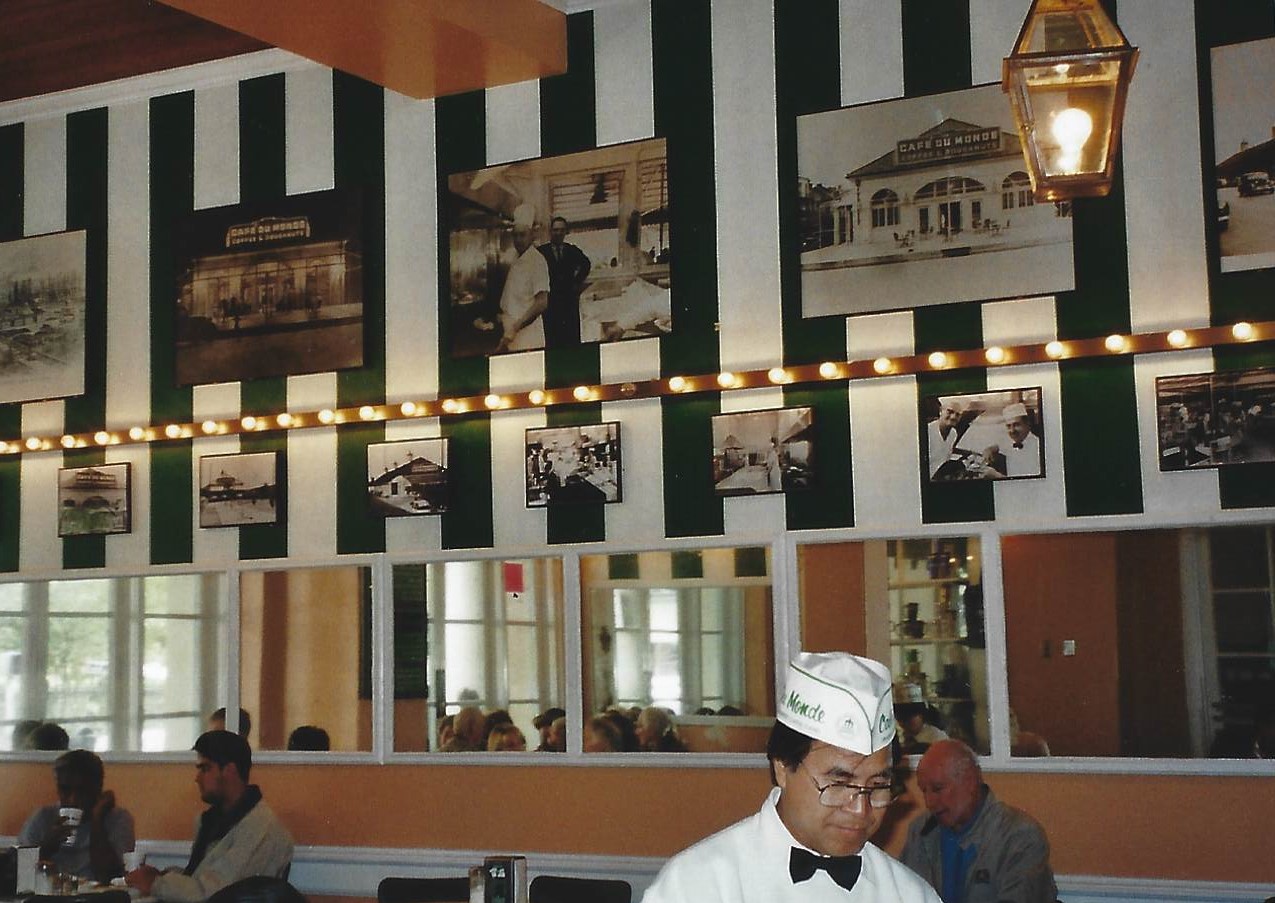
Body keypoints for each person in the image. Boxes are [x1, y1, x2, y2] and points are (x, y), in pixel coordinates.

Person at [642, 651, 942, 902]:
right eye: (838, 783)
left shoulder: (910, 895)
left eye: (878, 786)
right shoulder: (695, 887)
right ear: (782, 768)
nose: (859, 810)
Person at [126, 731, 293, 903]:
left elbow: (214, 894)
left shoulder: (261, 829)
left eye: (205, 768)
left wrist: (156, 884)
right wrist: (163, 875)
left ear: (229, 770)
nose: (197, 779)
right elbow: (203, 878)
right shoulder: (216, 821)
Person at [901, 739, 1056, 903]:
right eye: (924, 791)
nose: (929, 802)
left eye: (938, 789)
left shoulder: (1020, 837)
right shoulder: (921, 831)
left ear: (971, 781)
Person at [19, 749, 135, 881]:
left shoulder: (118, 819)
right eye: (65, 790)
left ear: (98, 787)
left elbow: (109, 875)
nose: (72, 800)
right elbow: (20, 872)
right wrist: (48, 846)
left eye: (82, 791)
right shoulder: (43, 817)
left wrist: (97, 820)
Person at [496, 202, 550, 352]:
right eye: (515, 235)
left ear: (532, 235)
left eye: (522, 235)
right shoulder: (516, 257)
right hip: (511, 333)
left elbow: (542, 302)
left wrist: (516, 326)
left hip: (528, 337)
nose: (518, 240)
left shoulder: (537, 261)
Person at [537, 215, 591, 348]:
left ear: (566, 232)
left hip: (569, 301)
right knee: (552, 338)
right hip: (550, 302)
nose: (558, 233)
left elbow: (586, 264)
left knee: (571, 338)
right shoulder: (541, 252)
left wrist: (577, 283)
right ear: (550, 232)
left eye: (562, 230)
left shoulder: (572, 250)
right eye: (556, 230)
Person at [980, 403, 1042, 479]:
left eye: (1016, 425)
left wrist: (996, 476)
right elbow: (999, 446)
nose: (1012, 430)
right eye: (1009, 426)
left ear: (1027, 424)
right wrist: (989, 450)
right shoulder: (1011, 441)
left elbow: (1028, 484)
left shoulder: (1038, 448)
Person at [927, 400, 968, 479]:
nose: (953, 417)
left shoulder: (953, 433)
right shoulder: (928, 431)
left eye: (958, 414)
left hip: (943, 476)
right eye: (950, 411)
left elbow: (946, 458)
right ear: (940, 411)